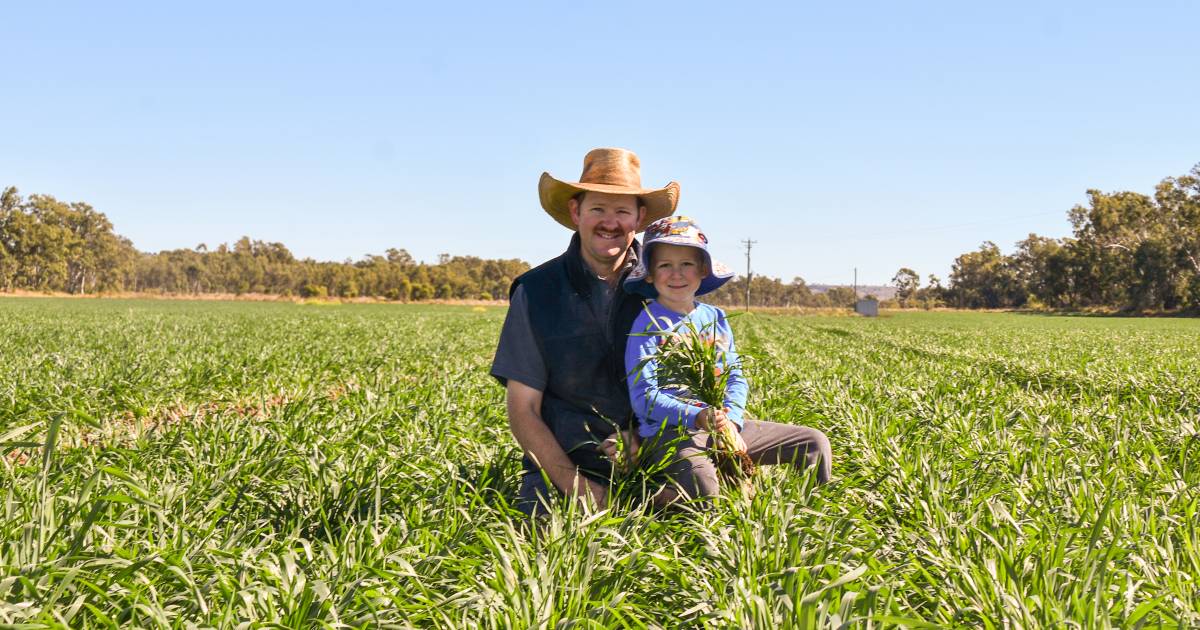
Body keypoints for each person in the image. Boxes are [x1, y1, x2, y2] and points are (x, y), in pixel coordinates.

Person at [490, 147, 680, 515]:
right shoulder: (536, 291)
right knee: (542, 544)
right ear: (576, 212)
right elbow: (523, 409)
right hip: (562, 467)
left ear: (640, 218)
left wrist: (641, 437)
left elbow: (686, 389)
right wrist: (579, 488)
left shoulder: (667, 289)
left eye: (622, 211)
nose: (610, 222)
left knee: (701, 516)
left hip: (653, 456)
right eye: (598, 209)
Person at [624, 216, 832, 505]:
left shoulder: (715, 318)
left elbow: (735, 375)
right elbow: (644, 397)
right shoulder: (647, 324)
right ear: (650, 274)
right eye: (665, 265)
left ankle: (813, 515)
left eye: (686, 264)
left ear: (702, 271)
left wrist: (731, 421)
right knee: (707, 493)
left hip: (722, 423)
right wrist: (696, 416)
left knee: (814, 444)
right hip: (672, 432)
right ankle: (641, 496)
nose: (676, 274)